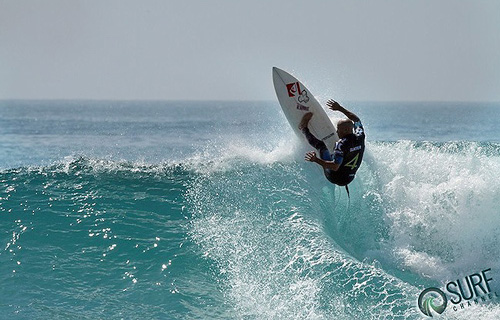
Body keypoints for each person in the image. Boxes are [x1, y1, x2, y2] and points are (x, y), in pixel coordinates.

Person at [298, 100, 365, 193]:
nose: (337, 132)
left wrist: (315, 159)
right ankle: (336, 156)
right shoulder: (360, 136)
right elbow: (356, 120)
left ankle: (303, 128)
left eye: (338, 129)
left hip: (334, 177)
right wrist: (340, 108)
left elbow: (334, 167)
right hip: (350, 178)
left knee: (321, 146)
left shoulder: (341, 144)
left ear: (345, 130)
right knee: (338, 156)